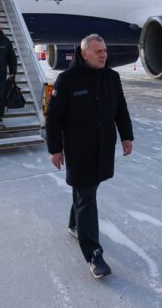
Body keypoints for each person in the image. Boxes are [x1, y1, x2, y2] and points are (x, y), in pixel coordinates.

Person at [46, 34, 134, 279]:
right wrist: (55, 149)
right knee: (87, 197)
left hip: (103, 147)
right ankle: (93, 254)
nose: (104, 54)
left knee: (88, 190)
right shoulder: (66, 80)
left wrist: (127, 136)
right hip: (78, 149)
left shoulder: (112, 77)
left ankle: (75, 224)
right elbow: (53, 118)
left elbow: (120, 110)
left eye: (105, 50)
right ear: (84, 54)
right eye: (98, 51)